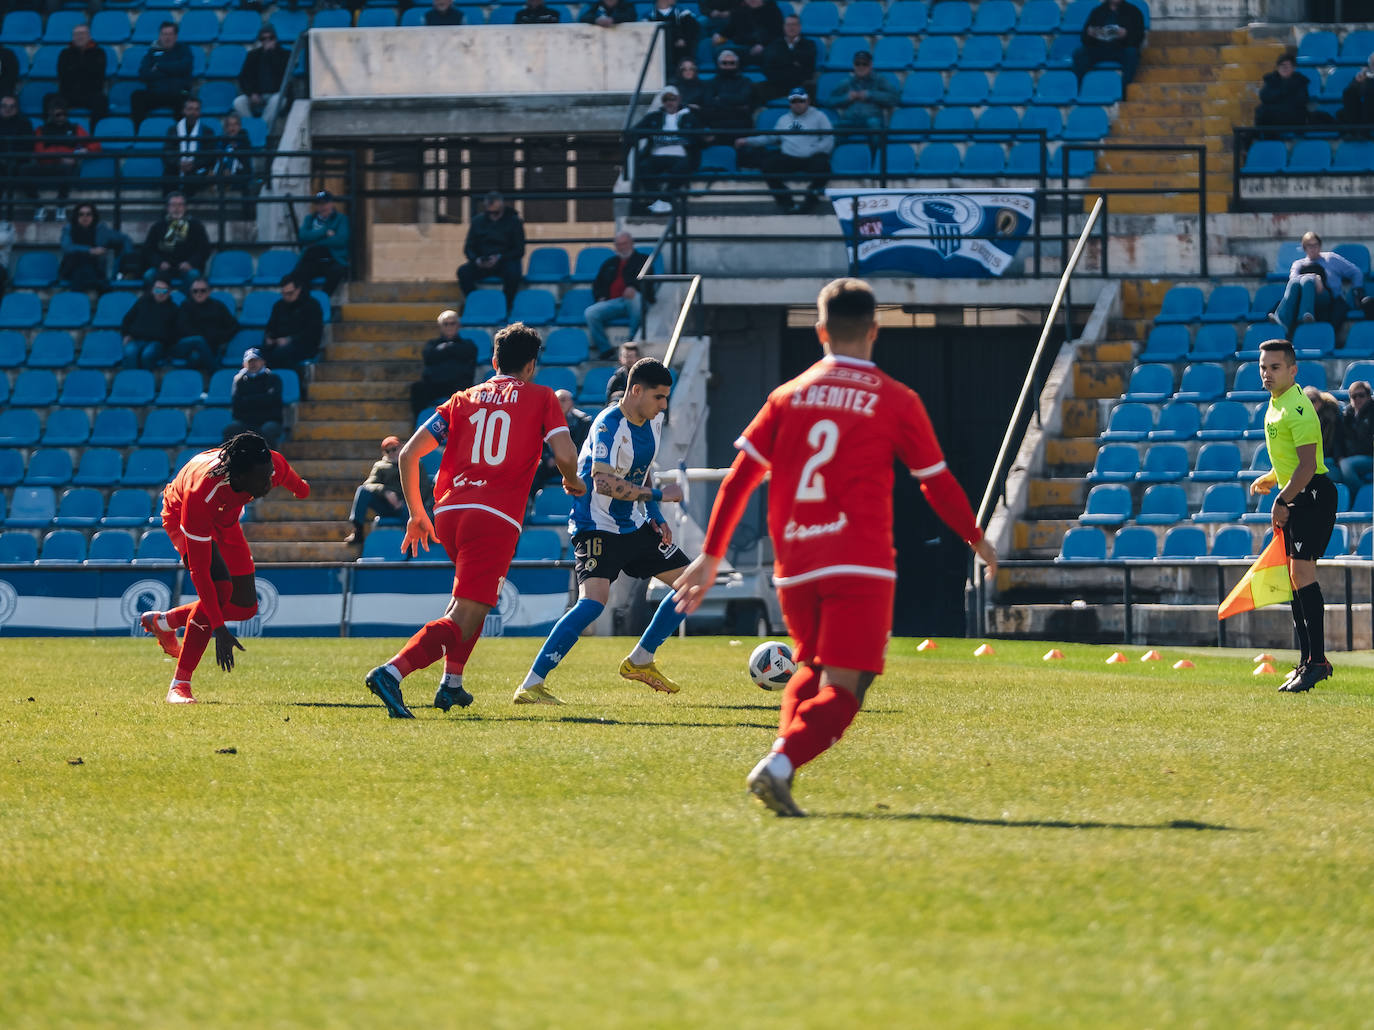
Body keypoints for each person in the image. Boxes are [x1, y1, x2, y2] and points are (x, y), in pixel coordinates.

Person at [672, 278, 998, 817]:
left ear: (820, 330)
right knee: (851, 684)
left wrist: (710, 555)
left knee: (811, 668)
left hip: (796, 563)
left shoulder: (786, 396)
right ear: (875, 331)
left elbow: (739, 478)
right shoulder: (895, 398)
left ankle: (783, 768)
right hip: (859, 561)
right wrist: (975, 536)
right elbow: (935, 481)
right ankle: (778, 764)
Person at [363, 323, 586, 718]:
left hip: (448, 512)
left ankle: (452, 684)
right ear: (531, 366)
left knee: (472, 602)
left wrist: (417, 514)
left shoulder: (462, 399)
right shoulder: (541, 396)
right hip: (494, 515)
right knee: (465, 616)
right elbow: (566, 454)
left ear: (495, 361)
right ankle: (392, 672)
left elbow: (408, 454)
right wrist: (572, 482)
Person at [515, 358, 691, 705]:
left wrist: (654, 513)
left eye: (666, 398)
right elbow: (604, 482)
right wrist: (658, 497)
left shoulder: (652, 420)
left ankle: (641, 660)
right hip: (595, 525)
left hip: (633, 524)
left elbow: (642, 472)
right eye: (659, 397)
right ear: (636, 391)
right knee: (593, 603)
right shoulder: (609, 425)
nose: (664, 406)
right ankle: (531, 685)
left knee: (692, 585)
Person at [139, 433, 310, 704]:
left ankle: (164, 622)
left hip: (226, 519)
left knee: (246, 607)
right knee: (219, 590)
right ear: (239, 478)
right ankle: (179, 685)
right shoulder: (201, 495)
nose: (270, 481)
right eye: (263, 478)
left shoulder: (266, 465)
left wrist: (301, 489)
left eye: (270, 474)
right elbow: (200, 572)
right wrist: (218, 627)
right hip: (182, 515)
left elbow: (285, 472)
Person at [1248, 338, 1339, 694]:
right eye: (1263, 368)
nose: (1267, 374)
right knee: (1294, 579)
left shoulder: (1297, 408)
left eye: (1275, 367)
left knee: (1302, 575)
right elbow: (1288, 462)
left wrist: (1281, 499)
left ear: (1292, 370)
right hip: (1299, 492)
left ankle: (1317, 661)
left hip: (1313, 495)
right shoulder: (1275, 405)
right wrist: (1271, 478)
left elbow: (1306, 465)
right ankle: (1307, 661)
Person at [736, 87, 833, 213]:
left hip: (812, 157)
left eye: (801, 101)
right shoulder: (784, 119)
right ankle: (785, 201)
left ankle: (811, 198)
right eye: (794, 102)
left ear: (808, 101)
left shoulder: (820, 116)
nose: (797, 104)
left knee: (824, 167)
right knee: (768, 165)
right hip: (789, 157)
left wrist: (815, 150)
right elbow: (770, 137)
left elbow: (829, 138)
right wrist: (747, 141)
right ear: (790, 103)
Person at [345, 435, 435, 546]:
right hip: (387, 505)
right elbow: (368, 484)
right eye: (388, 451)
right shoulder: (380, 466)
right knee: (362, 491)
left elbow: (424, 487)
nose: (392, 453)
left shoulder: (414, 462)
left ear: (401, 447)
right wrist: (385, 491)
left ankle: (412, 544)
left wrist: (408, 501)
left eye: (394, 449)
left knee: (411, 512)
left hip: (408, 505)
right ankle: (358, 531)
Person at [1269, 231, 1364, 336]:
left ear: (1320, 245)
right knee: (1298, 282)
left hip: (1327, 297)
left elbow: (1356, 272)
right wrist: (1315, 277)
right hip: (1302, 297)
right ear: (1304, 248)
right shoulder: (1298, 264)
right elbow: (1293, 278)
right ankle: (1283, 319)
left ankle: (1306, 315)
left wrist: (1357, 289)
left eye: (1316, 245)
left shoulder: (1331, 259)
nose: (1313, 248)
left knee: (1307, 280)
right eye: (1310, 246)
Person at [20, 104, 99, 221]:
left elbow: (96, 145)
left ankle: (61, 206)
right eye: (58, 114)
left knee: (67, 168)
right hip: (45, 165)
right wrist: (61, 157)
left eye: (64, 114)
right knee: (23, 170)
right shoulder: (41, 130)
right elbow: (39, 152)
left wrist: (85, 150)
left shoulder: (75, 128)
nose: (62, 117)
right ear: (51, 115)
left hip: (66, 167)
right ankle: (38, 207)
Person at [631, 85, 700, 214]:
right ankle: (662, 201)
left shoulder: (689, 116)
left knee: (682, 169)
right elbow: (634, 131)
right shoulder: (654, 116)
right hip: (657, 154)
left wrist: (662, 139)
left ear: (679, 99)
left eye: (672, 99)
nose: (669, 102)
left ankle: (662, 201)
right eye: (666, 99)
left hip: (682, 155)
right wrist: (675, 139)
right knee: (643, 167)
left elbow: (695, 138)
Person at [586, 232, 654, 358]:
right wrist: (600, 297)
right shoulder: (609, 263)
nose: (622, 247)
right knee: (590, 313)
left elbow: (649, 282)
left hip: (635, 301)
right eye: (619, 245)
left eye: (625, 244)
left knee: (635, 299)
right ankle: (606, 350)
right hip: (613, 303)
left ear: (632, 244)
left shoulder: (643, 260)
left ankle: (632, 344)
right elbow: (597, 283)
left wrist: (634, 287)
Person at [456, 190, 526, 308]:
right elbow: (469, 247)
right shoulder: (478, 221)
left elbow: (519, 250)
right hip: (482, 262)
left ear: (501, 204)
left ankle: (506, 306)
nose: (491, 208)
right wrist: (477, 260)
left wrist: (499, 258)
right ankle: (476, 303)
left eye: (493, 204)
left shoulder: (514, 221)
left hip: (504, 261)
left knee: (513, 274)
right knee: (463, 272)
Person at [411, 309, 478, 417]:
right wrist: (452, 350)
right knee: (417, 389)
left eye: (452, 323)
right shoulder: (432, 344)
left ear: (458, 325)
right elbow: (428, 356)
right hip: (436, 384)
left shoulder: (468, 344)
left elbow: (468, 353)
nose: (449, 327)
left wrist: (444, 350)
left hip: (458, 385)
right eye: (445, 324)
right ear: (440, 326)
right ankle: (419, 422)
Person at [141, 191, 211, 293]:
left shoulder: (196, 226)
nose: (177, 208)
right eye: (173, 205)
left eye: (180, 205)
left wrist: (190, 263)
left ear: (185, 207)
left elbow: (204, 249)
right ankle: (157, 305)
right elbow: (148, 250)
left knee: (194, 275)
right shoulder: (158, 226)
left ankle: (184, 304)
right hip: (163, 268)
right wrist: (159, 263)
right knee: (149, 275)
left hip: (187, 267)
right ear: (167, 208)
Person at [58, 202, 133, 291]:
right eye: (81, 214)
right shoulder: (68, 229)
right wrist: (90, 250)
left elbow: (125, 239)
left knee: (89, 272)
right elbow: (67, 247)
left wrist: (125, 265)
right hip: (73, 268)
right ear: (76, 216)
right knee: (82, 271)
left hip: (95, 267)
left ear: (93, 216)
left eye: (88, 214)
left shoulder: (101, 230)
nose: (85, 217)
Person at [532, 389, 593, 494]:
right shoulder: (543, 419)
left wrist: (564, 459)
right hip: (550, 463)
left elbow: (583, 447)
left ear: (571, 402)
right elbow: (537, 444)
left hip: (574, 463)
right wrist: (548, 458)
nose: (559, 403)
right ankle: (529, 503)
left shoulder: (583, 422)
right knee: (534, 470)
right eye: (556, 400)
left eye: (563, 400)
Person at [825, 50, 898, 139]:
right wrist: (846, 98)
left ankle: (877, 152)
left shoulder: (879, 80)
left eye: (864, 64)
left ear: (871, 65)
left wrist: (870, 95)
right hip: (850, 120)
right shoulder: (847, 82)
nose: (861, 67)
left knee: (874, 124)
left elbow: (894, 98)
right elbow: (830, 101)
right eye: (857, 64)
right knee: (830, 128)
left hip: (871, 119)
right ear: (853, 65)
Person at [131, 21, 193, 125]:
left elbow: (184, 68)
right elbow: (143, 74)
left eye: (170, 34)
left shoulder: (184, 50)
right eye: (164, 34)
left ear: (176, 36)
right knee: (137, 96)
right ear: (160, 36)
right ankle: (139, 134)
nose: (167, 38)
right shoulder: (153, 52)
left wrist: (159, 66)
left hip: (177, 92)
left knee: (184, 100)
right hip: (156, 92)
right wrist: (172, 70)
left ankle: (180, 137)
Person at [1072, 0, 1145, 86]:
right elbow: (1084, 38)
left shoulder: (1133, 11)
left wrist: (1126, 34)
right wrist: (1090, 34)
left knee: (1132, 53)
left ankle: (1124, 89)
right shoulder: (1098, 11)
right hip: (1100, 48)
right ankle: (1078, 88)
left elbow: (1139, 37)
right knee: (1080, 53)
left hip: (1122, 49)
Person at [175, 276, 239, 370]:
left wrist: (219, 337)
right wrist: (206, 337)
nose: (199, 293)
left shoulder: (218, 306)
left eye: (202, 290)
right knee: (198, 342)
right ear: (191, 292)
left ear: (209, 292)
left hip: (211, 345)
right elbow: (182, 329)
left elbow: (234, 325)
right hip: (188, 346)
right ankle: (216, 372)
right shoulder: (185, 306)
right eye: (195, 291)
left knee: (196, 357)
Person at [261, 275, 323, 369]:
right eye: (283, 293)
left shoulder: (312, 305)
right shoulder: (279, 306)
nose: (286, 296)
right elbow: (271, 327)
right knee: (254, 354)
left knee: (280, 354)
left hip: (303, 346)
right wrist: (269, 337)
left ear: (298, 290)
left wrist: (290, 339)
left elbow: (313, 332)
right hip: (278, 345)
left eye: (289, 293)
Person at [294, 190, 350, 294]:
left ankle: (323, 299)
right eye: (319, 204)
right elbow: (302, 236)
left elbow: (341, 240)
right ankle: (307, 301)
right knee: (299, 273)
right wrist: (325, 232)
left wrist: (314, 241)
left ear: (331, 203)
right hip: (312, 259)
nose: (322, 207)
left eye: (325, 203)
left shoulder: (341, 219)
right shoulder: (310, 219)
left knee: (337, 271)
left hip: (333, 259)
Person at [233, 25, 289, 129]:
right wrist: (251, 94)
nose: (267, 41)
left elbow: (283, 74)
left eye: (271, 38)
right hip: (258, 96)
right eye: (264, 39)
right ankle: (251, 127)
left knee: (277, 100)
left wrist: (271, 54)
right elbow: (243, 77)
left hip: (276, 95)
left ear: (275, 39)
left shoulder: (285, 55)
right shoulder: (253, 55)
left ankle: (262, 128)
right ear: (260, 40)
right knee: (238, 102)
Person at [226, 347, 284, 446]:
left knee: (268, 430)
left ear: (263, 362)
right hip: (247, 421)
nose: (253, 364)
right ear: (244, 364)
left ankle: (270, 459)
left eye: (256, 360)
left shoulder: (273, 378)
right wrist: (262, 398)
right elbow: (237, 404)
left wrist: (248, 400)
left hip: (268, 420)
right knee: (231, 430)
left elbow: (274, 401)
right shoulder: (239, 380)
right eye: (250, 361)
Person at [120, 278, 180, 369]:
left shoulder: (174, 309)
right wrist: (126, 334)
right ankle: (133, 380)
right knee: (129, 352)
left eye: (163, 290)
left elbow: (175, 332)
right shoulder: (142, 302)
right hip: (136, 339)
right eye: (157, 290)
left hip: (157, 343)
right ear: (152, 290)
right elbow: (127, 319)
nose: (160, 293)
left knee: (147, 354)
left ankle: (146, 380)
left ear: (169, 292)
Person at [161, 96, 216, 195]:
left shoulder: (207, 131)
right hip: (176, 168)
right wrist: (179, 163)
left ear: (200, 112)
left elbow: (210, 156)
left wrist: (194, 164)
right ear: (184, 111)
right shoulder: (173, 130)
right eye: (190, 109)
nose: (193, 113)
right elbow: (167, 152)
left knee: (195, 177)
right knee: (168, 177)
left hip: (197, 169)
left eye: (196, 109)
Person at [56, 24, 109, 121]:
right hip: (69, 93)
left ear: (89, 36)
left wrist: (75, 69)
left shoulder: (99, 52)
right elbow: (63, 75)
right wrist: (82, 70)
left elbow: (98, 75)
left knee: (101, 101)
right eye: (76, 34)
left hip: (91, 93)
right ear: (72, 37)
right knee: (51, 100)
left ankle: (95, 133)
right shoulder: (65, 53)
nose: (79, 37)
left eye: (82, 33)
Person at [701, 49, 755, 140]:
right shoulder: (711, 83)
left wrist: (720, 97)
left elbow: (744, 99)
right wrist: (736, 105)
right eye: (725, 63)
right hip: (717, 125)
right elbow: (708, 103)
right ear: (719, 64)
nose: (728, 66)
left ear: (737, 64)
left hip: (741, 125)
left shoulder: (746, 81)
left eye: (732, 63)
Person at [761, 15, 818, 102]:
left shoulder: (809, 45)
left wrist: (781, 61)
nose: (791, 28)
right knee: (756, 89)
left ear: (800, 27)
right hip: (778, 83)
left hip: (799, 83)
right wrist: (793, 63)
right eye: (788, 25)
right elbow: (768, 66)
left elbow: (808, 67)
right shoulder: (774, 44)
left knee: (810, 88)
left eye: (794, 25)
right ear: (783, 27)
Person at [715, 0, 783, 68]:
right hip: (744, 48)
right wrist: (719, 34)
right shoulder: (739, 11)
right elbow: (730, 29)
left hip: (766, 48)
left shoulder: (773, 10)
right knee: (723, 53)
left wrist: (763, 45)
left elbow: (778, 33)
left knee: (773, 54)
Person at [1256, 53, 1310, 131]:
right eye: (1281, 66)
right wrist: (1284, 92)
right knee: (1261, 110)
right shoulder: (1271, 79)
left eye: (1287, 66)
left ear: (1293, 68)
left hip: (1292, 114)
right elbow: (1264, 96)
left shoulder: (1300, 80)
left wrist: (1278, 96)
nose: (1284, 68)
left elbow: (1302, 100)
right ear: (1277, 68)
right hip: (1275, 113)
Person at [0, 95, 33, 217]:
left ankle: (8, 217)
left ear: (17, 108)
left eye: (11, 106)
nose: (7, 109)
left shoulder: (24, 123)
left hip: (18, 162)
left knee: (13, 171)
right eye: (4, 106)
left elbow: (28, 147)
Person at [1306, 385, 1345, 486]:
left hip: (1331, 459)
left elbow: (1338, 441)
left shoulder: (1332, 416)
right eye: (1306, 401)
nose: (1310, 404)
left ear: (1320, 400)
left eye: (1313, 400)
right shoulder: (1304, 419)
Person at [1340, 379, 1374, 487]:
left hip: (1369, 457)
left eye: (1361, 395)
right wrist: (1339, 456)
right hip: (1351, 456)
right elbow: (1339, 440)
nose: (1357, 399)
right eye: (1354, 396)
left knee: (1345, 465)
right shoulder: (1347, 414)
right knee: (1325, 465)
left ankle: (1357, 495)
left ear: (1369, 396)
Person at [647, 0, 700, 66]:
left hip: (679, 53)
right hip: (657, 52)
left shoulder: (683, 13)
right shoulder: (648, 16)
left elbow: (694, 30)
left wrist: (684, 39)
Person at [1339, 55, 1374, 131]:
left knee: (1370, 92)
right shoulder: (1367, 76)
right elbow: (1351, 92)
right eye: (1372, 64)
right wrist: (1357, 81)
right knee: (1349, 92)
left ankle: (1363, 130)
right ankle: (1352, 129)